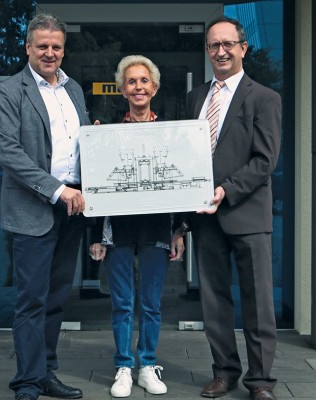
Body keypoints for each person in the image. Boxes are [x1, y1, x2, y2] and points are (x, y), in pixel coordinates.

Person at [175, 16, 282, 400]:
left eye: (227, 44)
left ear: (242, 48)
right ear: (207, 50)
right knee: (214, 302)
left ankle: (261, 382)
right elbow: (185, 158)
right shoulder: (195, 97)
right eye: (213, 45)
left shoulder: (264, 97)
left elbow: (265, 160)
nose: (220, 51)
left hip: (247, 214)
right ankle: (224, 372)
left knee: (258, 303)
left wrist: (225, 189)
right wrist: (181, 220)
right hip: (205, 219)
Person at [0, 13, 91, 400]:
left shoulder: (74, 90)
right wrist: (57, 190)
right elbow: (8, 153)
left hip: (71, 211)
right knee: (31, 301)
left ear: (63, 50)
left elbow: (81, 144)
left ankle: (46, 372)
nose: (50, 52)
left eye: (56, 46)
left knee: (55, 297)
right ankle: (27, 383)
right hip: (35, 209)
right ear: (28, 47)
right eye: (42, 45)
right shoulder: (10, 91)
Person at [89, 55, 185, 398]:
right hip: (119, 231)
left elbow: (182, 183)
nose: (138, 87)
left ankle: (147, 365)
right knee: (122, 303)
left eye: (144, 81)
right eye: (131, 81)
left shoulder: (172, 133)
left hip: (158, 229)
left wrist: (179, 230)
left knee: (151, 304)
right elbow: (95, 187)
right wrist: (97, 236)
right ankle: (123, 367)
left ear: (154, 88)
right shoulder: (107, 133)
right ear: (122, 90)